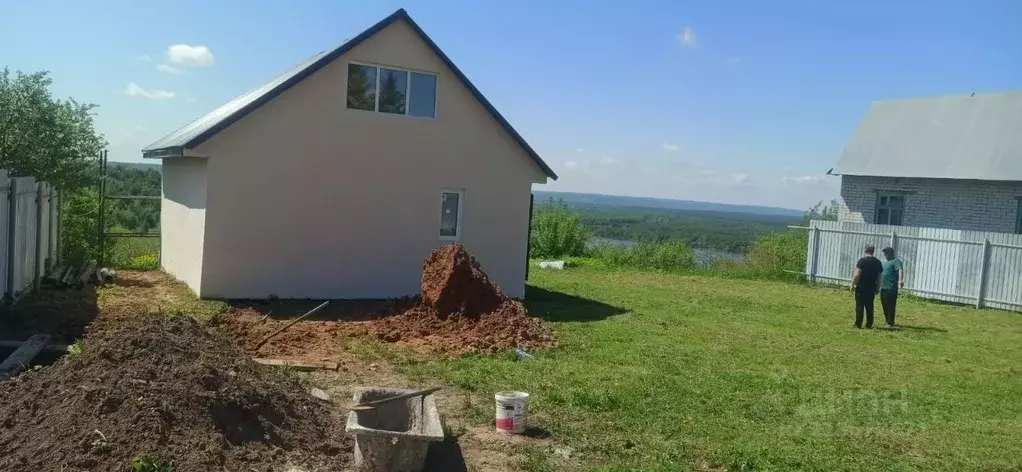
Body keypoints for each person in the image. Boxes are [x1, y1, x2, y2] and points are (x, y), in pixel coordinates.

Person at [851, 245, 883, 329]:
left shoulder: (862, 261)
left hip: (861, 287)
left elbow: (857, 274)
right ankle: (869, 324)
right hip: (871, 287)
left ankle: (858, 323)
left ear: (866, 251)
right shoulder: (878, 262)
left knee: (859, 305)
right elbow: (879, 277)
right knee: (869, 306)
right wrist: (877, 288)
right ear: (873, 251)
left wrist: (853, 284)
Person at [880, 247, 904, 328]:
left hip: (891, 287)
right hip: (883, 287)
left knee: (890, 305)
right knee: (884, 304)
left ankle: (890, 322)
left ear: (891, 253)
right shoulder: (885, 263)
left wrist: (900, 280)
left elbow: (900, 269)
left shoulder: (896, 261)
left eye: (886, 253)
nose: (885, 255)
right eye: (884, 253)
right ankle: (887, 320)